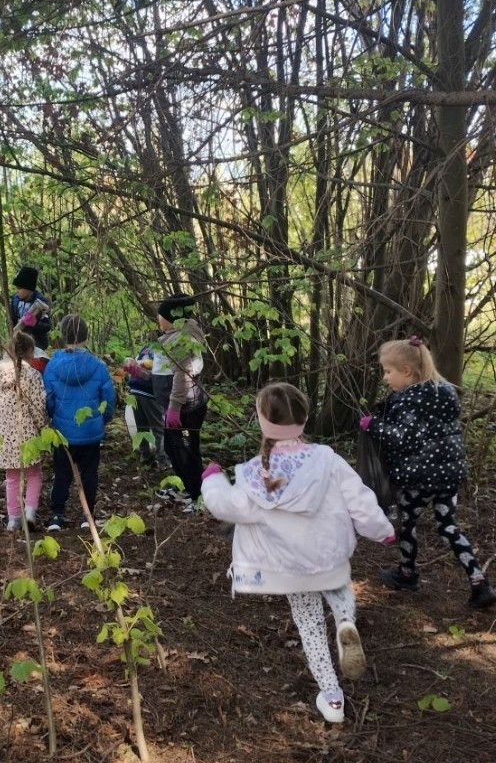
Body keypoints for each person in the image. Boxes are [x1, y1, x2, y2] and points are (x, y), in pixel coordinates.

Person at [202, 382, 395, 724]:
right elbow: (360, 499)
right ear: (305, 418)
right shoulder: (327, 459)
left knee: (309, 626)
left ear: (263, 421)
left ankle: (333, 700)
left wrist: (212, 480)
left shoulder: (253, 473)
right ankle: (345, 621)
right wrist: (383, 530)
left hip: (288, 567)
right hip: (328, 556)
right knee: (338, 590)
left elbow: (230, 507)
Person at [360, 336, 496, 608]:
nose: (386, 378)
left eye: (388, 372)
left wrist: (373, 426)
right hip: (449, 475)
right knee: (448, 526)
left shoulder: (409, 400)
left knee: (406, 522)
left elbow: (405, 438)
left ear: (407, 371)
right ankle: (479, 581)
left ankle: (407, 573)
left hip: (419, 478)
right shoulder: (445, 391)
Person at [42, 314, 116, 532]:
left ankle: (57, 515)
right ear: (87, 335)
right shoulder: (98, 366)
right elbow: (109, 399)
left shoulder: (53, 365)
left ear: (62, 336)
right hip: (91, 431)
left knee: (62, 471)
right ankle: (88, 516)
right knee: (89, 472)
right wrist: (102, 420)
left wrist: (54, 417)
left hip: (63, 431)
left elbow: (48, 398)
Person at [137, 294, 207, 510]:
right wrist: (138, 372)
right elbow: (162, 374)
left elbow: (182, 376)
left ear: (172, 318)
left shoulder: (182, 341)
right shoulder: (169, 339)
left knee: (185, 448)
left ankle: (198, 496)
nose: (158, 319)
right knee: (172, 447)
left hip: (185, 410)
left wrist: (175, 408)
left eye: (161, 315)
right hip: (173, 409)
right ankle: (185, 486)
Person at [0, 330, 49, 531]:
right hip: (27, 433)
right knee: (34, 474)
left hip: (4, 433)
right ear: (29, 352)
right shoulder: (32, 374)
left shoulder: (0, 373)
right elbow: (38, 405)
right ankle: (30, 513)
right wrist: (44, 429)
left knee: (12, 477)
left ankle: (13, 518)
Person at [122, 341, 170, 469]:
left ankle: (145, 455)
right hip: (149, 393)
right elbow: (160, 374)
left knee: (141, 426)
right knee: (158, 428)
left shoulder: (145, 349)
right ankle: (163, 460)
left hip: (135, 391)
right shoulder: (163, 350)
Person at [10, 265, 52, 350]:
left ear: (29, 288)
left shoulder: (40, 302)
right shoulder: (15, 300)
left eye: (19, 288)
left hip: (37, 344)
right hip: (20, 341)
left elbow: (47, 326)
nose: (17, 291)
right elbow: (13, 319)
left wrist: (34, 324)